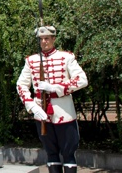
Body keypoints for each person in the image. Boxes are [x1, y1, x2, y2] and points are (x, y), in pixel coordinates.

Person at [16, 26, 88, 173]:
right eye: (41, 39)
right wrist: (32, 106)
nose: (44, 41)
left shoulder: (66, 57)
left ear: (53, 39)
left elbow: (82, 80)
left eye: (47, 38)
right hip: (41, 113)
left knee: (68, 153)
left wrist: (55, 87)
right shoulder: (31, 60)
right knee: (51, 152)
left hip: (64, 112)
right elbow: (21, 85)